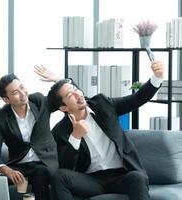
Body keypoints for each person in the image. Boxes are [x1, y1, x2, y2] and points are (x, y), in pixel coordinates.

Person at [44, 60, 165, 200]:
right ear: (64, 108)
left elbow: (137, 99)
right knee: (60, 177)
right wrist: (75, 137)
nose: (78, 94)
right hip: (92, 180)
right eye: (70, 95)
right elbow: (65, 167)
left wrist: (157, 77)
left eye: (75, 89)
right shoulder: (60, 131)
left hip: (122, 175)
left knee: (137, 177)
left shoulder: (103, 104)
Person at [0, 71, 59, 200]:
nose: (23, 93)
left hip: (44, 162)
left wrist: (57, 80)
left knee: (40, 173)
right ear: (6, 100)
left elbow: (69, 97)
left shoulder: (39, 101)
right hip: (19, 165)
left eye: (22, 87)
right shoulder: (0, 118)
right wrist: (7, 170)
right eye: (15, 93)